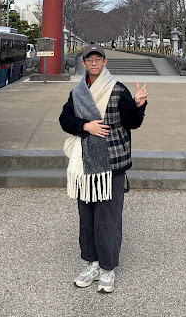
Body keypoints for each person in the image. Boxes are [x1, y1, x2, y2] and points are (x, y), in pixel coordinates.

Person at [59, 44, 147, 293]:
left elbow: (132, 122)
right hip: (85, 163)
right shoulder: (78, 92)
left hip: (112, 163)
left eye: (99, 59)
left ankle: (108, 268)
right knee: (87, 218)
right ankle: (92, 264)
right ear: (84, 63)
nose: (94, 63)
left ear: (105, 62)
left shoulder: (118, 89)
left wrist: (138, 105)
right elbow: (65, 119)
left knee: (107, 218)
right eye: (90, 59)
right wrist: (85, 126)